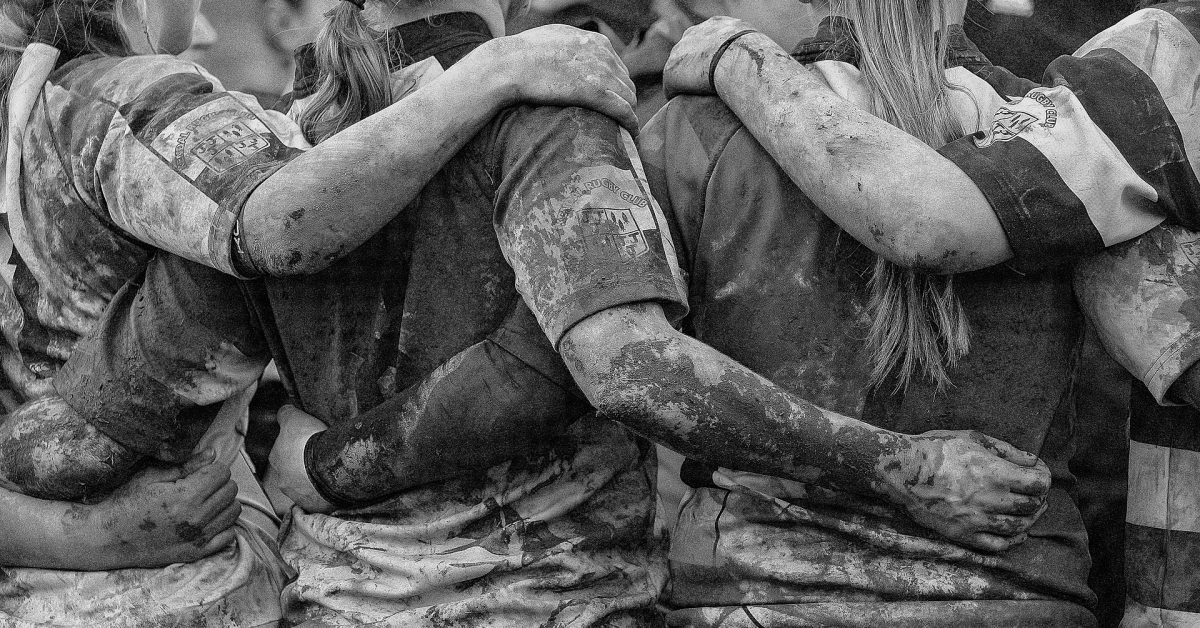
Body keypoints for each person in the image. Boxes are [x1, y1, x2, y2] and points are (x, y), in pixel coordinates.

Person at [1, 0, 1053, 625]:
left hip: (343, 607)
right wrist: (900, 468)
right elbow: (618, 366)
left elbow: (84, 438)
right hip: (557, 602)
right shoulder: (555, 118)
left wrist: (321, 464)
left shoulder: (273, 153)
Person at [0, 0, 642, 623]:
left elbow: (84, 430)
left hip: (308, 593)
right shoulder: (129, 103)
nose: (203, 27)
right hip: (166, 597)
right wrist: (493, 75)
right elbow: (275, 227)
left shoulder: (48, 114)